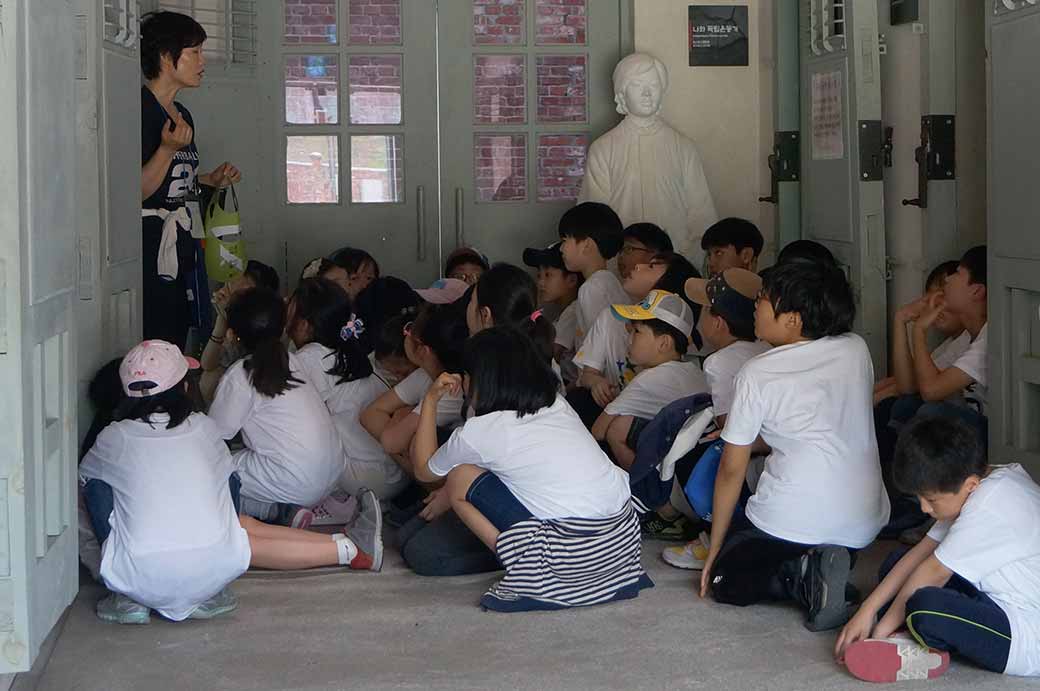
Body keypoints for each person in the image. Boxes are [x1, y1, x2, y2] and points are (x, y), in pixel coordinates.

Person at [81, 341, 382, 625]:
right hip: (214, 575)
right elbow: (229, 484)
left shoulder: (113, 437)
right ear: (184, 388)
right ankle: (346, 546)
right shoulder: (203, 427)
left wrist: (102, 563)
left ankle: (123, 593)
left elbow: (85, 491)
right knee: (229, 494)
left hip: (137, 576)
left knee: (91, 485)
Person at [699, 260, 890, 632]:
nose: (755, 306)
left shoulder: (757, 373)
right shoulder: (856, 349)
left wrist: (715, 549)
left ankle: (802, 576)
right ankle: (823, 570)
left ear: (793, 320)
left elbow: (731, 469)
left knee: (727, 579)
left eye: (763, 299)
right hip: (861, 526)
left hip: (792, 520)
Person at [410, 327, 651, 611]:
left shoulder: (479, 432)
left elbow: (423, 470)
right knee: (432, 517)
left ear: (482, 381)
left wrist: (430, 400)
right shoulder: (556, 404)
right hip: (620, 546)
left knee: (458, 479)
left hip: (568, 556)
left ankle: (524, 565)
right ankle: (525, 554)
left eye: (466, 375)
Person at [836, 416, 1040, 682]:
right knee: (895, 563)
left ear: (970, 485)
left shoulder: (989, 504)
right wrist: (867, 610)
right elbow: (919, 554)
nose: (924, 508)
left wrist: (878, 635)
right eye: (919, 498)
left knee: (926, 608)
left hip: (1024, 633)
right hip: (994, 596)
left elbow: (933, 573)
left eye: (931, 499)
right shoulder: (979, 482)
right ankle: (915, 638)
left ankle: (921, 645)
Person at [140, 11, 242, 348]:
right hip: (151, 251)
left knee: (179, 338)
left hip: (182, 246)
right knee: (156, 341)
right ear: (166, 57)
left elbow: (176, 186)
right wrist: (167, 149)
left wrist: (210, 180)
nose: (203, 61)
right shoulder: (138, 111)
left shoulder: (182, 115)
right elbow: (134, 191)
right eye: (194, 52)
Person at [661, 268, 771, 569]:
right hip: (777, 452)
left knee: (691, 451)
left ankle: (714, 536)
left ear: (719, 323)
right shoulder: (768, 349)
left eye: (705, 309)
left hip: (752, 458)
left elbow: (728, 426)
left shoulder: (719, 362)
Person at [208, 288, 344, 527]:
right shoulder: (292, 360)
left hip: (297, 482)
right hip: (332, 476)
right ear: (282, 328)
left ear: (232, 335)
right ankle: (289, 510)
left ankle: (277, 512)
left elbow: (213, 437)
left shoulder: (241, 375)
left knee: (211, 470)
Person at [287, 279, 415, 510]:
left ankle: (334, 505)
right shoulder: (348, 349)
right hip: (395, 474)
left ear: (304, 324)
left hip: (365, 476)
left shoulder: (310, 358)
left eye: (290, 309)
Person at [579, 52, 718, 260]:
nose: (646, 93)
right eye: (637, 85)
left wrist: (694, 257)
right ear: (622, 92)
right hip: (621, 262)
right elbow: (594, 217)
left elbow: (701, 213)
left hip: (674, 259)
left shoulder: (683, 147)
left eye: (653, 85)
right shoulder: (604, 148)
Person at [572, 252, 701, 413]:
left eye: (651, 267)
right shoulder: (610, 318)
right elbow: (587, 375)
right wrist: (596, 382)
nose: (638, 266)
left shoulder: (680, 343)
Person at [592, 290, 707, 470]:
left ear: (664, 343)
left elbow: (598, 431)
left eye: (637, 331)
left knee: (616, 428)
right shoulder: (694, 372)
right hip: (690, 465)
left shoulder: (650, 379)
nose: (629, 339)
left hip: (669, 474)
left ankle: (639, 485)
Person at [359, 301, 470, 476]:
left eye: (409, 331)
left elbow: (390, 442)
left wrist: (401, 415)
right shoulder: (425, 374)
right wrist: (401, 419)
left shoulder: (452, 392)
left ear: (424, 350)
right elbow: (369, 415)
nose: (405, 334)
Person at [876, 261, 963, 405]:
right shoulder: (950, 344)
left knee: (903, 405)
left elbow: (907, 386)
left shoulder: (967, 341)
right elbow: (900, 380)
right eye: (930, 299)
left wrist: (915, 327)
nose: (934, 306)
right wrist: (900, 317)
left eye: (942, 296)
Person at [200, 260, 280, 403]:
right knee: (210, 377)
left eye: (236, 293)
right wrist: (222, 319)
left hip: (259, 391)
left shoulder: (266, 328)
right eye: (226, 286)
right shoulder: (229, 322)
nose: (223, 293)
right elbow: (207, 363)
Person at [557, 202, 628, 346]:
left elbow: (597, 344)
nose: (561, 248)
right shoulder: (610, 281)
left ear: (586, 245)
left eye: (565, 240)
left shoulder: (591, 289)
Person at [523, 243, 583, 386]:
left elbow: (549, 354)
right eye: (539, 275)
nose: (540, 283)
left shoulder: (573, 311)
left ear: (571, 280)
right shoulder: (563, 313)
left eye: (548, 275)